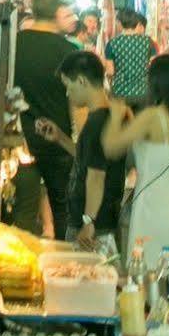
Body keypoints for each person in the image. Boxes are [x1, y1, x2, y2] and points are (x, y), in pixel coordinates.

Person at [102, 53, 169, 269]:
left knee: (144, 273)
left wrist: (116, 116)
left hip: (151, 206)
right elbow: (156, 148)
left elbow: (111, 146)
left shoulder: (152, 116)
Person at [9, 0, 78, 238]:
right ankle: (61, 264)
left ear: (32, 9)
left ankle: (20, 264)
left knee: (23, 209)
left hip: (19, 137)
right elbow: (76, 101)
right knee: (61, 206)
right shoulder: (68, 51)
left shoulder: (14, 45)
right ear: (57, 11)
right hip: (57, 137)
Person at [58, 51, 125, 256]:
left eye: (68, 86)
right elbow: (88, 159)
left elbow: (96, 175)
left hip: (94, 224)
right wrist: (60, 138)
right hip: (104, 217)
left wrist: (88, 221)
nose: (68, 94)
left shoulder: (97, 123)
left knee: (88, 279)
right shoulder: (108, 116)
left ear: (81, 81)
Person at [104, 5, 156, 108]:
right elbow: (153, 64)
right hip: (143, 92)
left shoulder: (112, 43)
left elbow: (110, 71)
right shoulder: (148, 41)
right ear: (136, 22)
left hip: (120, 93)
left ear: (119, 23)